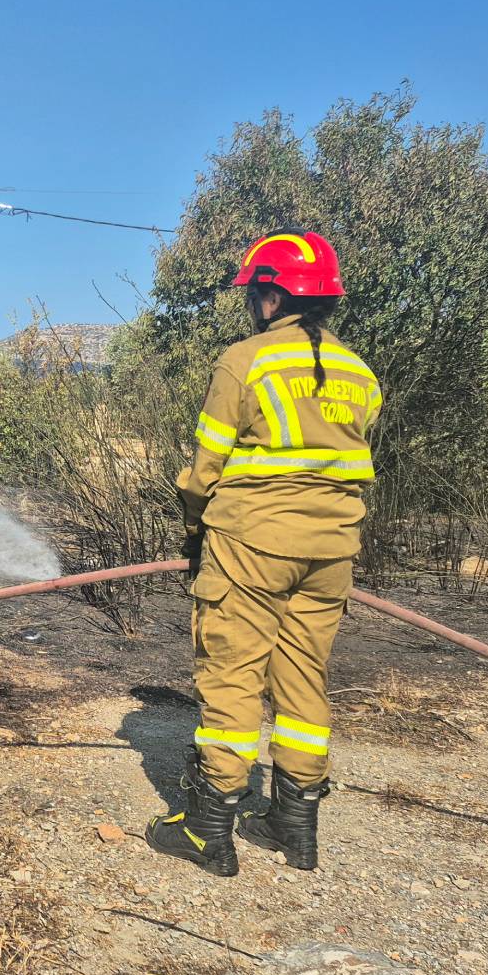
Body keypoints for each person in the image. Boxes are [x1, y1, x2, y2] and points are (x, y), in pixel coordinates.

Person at [146, 230, 380, 877]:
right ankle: (293, 825)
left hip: (251, 540)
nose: (253, 302)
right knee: (304, 675)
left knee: (233, 673)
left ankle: (206, 828)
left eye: (256, 291)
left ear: (272, 294)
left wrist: (195, 532)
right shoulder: (360, 374)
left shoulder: (244, 360)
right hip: (332, 550)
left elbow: (202, 471)